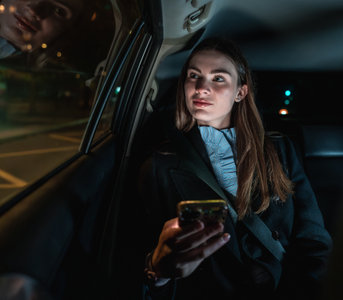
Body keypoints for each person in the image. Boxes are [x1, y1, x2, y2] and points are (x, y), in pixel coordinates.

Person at [139, 37, 332, 299]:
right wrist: (158, 271)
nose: (201, 87)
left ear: (240, 92)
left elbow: (313, 238)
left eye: (218, 78)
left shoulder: (279, 150)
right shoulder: (159, 164)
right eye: (193, 76)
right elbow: (144, 258)